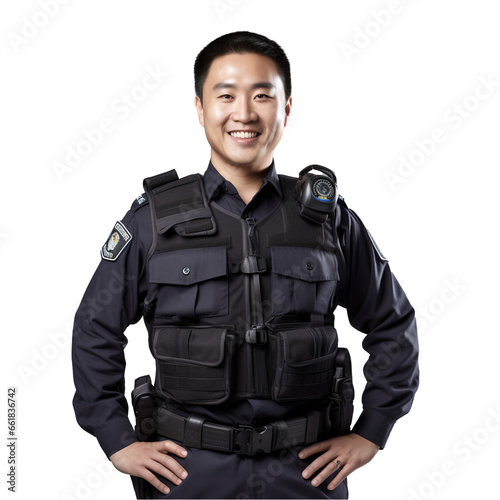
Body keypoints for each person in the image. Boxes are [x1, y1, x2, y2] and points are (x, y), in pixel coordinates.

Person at [72, 31, 419, 499]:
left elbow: (394, 323)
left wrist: (372, 431)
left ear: (286, 107)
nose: (244, 113)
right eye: (226, 95)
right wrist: (116, 439)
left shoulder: (328, 219)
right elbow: (95, 328)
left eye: (262, 95)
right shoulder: (154, 221)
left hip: (307, 474)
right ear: (200, 108)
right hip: (187, 474)